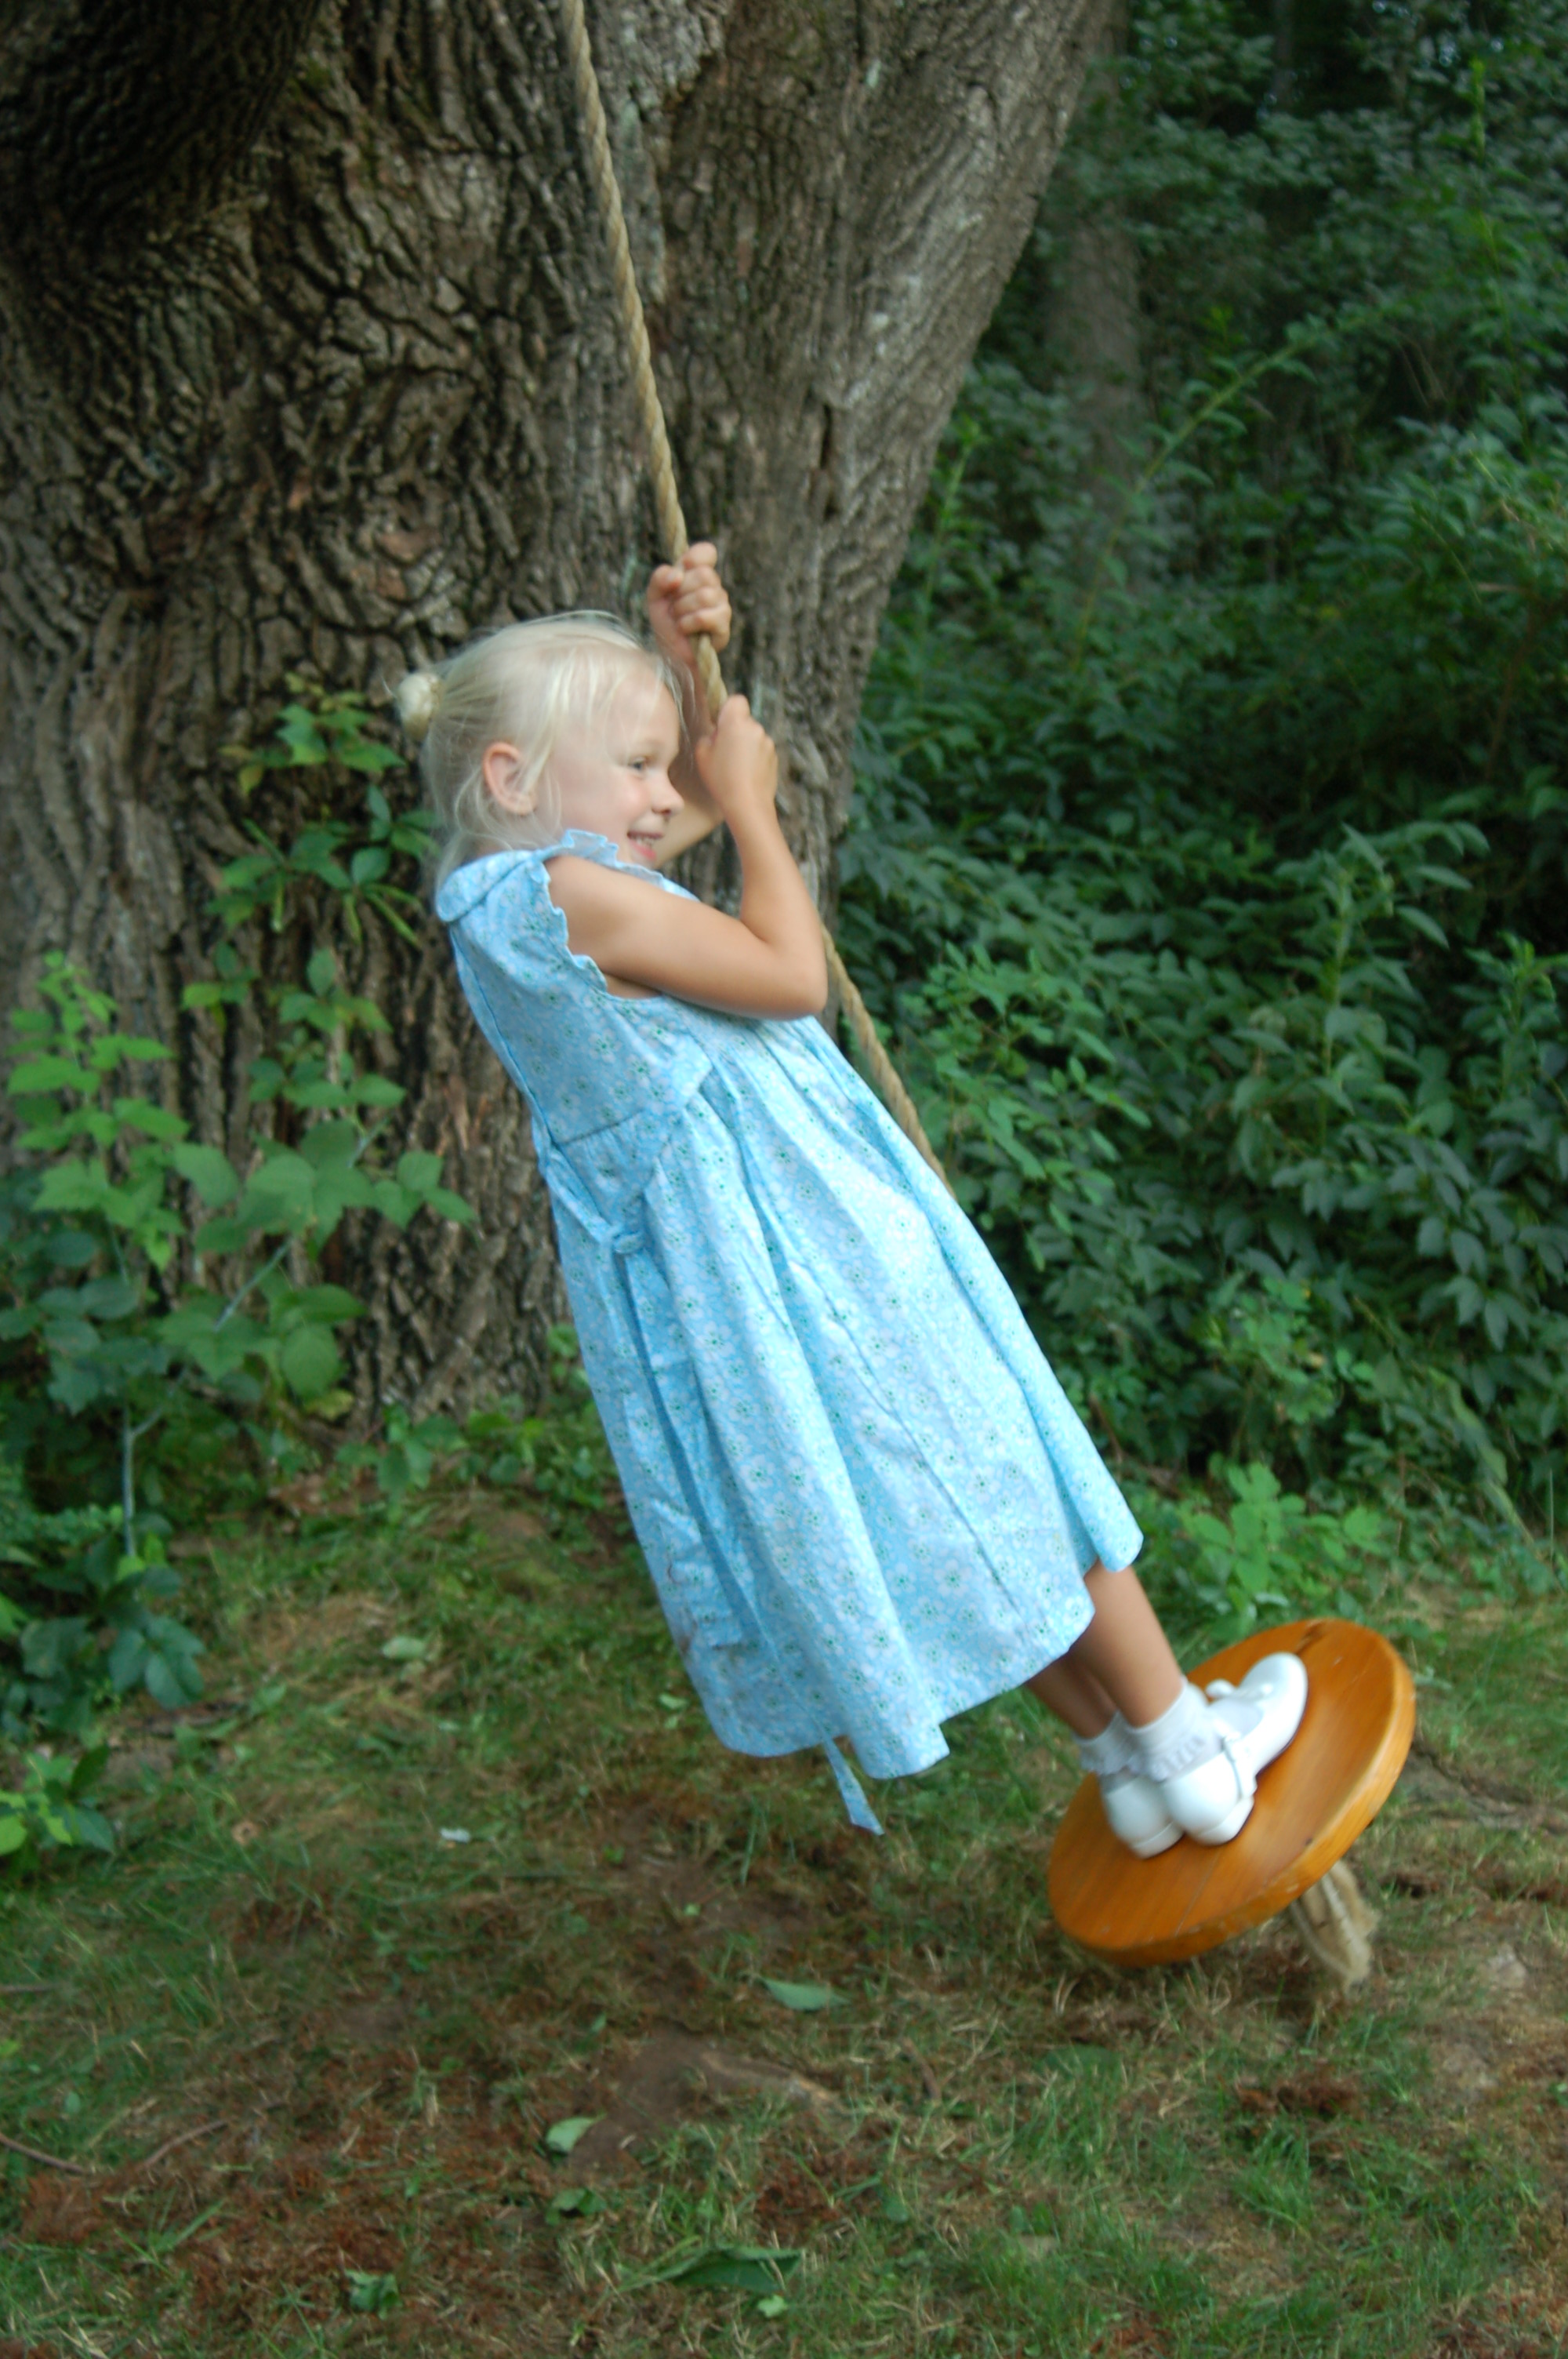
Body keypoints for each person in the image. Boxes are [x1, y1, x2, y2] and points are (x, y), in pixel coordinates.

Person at [399, 547, 1308, 1848]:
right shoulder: (572, 893)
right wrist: (754, 812)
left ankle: (1123, 1768)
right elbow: (789, 973)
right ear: (511, 779)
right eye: (636, 766)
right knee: (1001, 1452)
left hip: (741, 1281)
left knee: (939, 1500)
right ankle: (1192, 1749)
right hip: (814, 1243)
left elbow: (661, 830)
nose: (664, 793)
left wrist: (678, 667)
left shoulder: (508, 905)